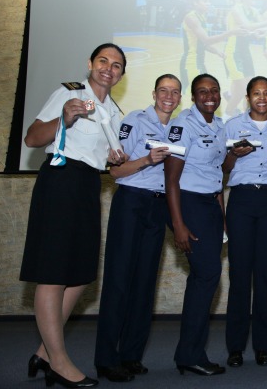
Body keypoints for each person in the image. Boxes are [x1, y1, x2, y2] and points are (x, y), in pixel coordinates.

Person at [20, 43, 128, 388]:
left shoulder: (115, 113)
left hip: (87, 185)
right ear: (90, 64)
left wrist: (117, 159)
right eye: (103, 61)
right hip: (60, 180)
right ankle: (60, 360)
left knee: (80, 274)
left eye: (116, 65)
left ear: (121, 75)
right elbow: (32, 138)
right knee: (52, 273)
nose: (108, 69)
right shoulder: (69, 94)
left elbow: (112, 166)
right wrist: (64, 118)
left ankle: (43, 351)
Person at [94, 74, 182, 382]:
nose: (168, 96)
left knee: (145, 283)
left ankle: (131, 355)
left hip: (159, 206)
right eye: (163, 91)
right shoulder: (134, 119)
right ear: (154, 93)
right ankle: (106, 359)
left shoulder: (179, 128)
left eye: (174, 92)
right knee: (119, 281)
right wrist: (147, 159)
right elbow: (116, 170)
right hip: (131, 202)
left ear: (180, 98)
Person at [223, 76, 267, 367]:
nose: (261, 98)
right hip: (241, 201)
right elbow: (222, 170)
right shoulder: (233, 125)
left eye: (266, 94)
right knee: (239, 276)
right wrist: (233, 156)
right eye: (255, 93)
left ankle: (261, 347)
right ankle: (235, 348)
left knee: (264, 276)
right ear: (248, 97)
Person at [164, 73, 227, 377]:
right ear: (193, 97)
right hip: (188, 204)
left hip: (210, 206)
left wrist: (222, 217)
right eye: (202, 91)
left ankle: (190, 352)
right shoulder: (182, 124)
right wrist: (178, 223)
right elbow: (171, 179)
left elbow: (218, 171)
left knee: (205, 278)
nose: (209, 95)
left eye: (214, 90)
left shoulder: (220, 125)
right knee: (208, 275)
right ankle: (189, 354)